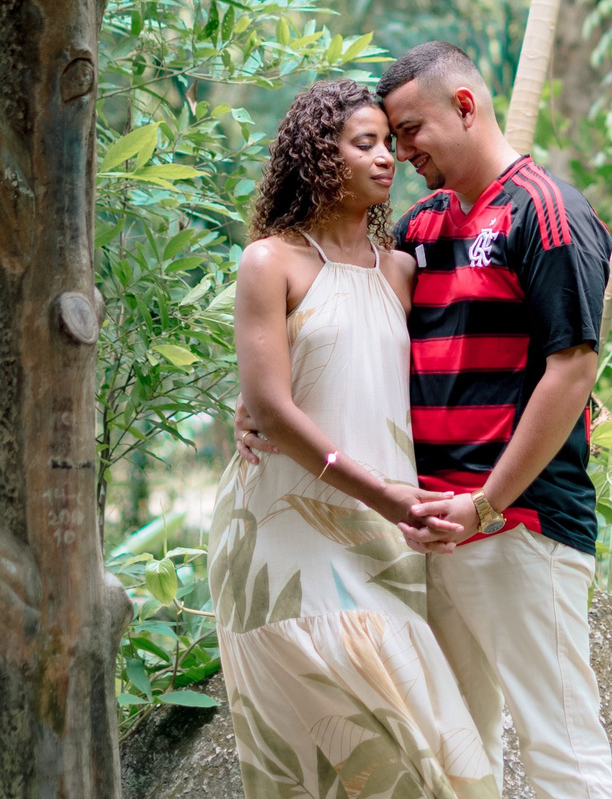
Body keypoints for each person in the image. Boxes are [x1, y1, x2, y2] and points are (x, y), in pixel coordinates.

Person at [243, 42, 612, 799]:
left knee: (561, 749)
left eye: (409, 130)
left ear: (466, 107)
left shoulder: (547, 211)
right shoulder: (420, 230)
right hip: (423, 535)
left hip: (519, 526)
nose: (400, 150)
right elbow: (345, 331)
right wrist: (257, 406)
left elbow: (574, 367)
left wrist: (488, 501)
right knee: (455, 759)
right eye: (384, 136)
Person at [209, 78, 495, 799]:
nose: (387, 158)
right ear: (317, 154)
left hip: (386, 542)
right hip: (285, 535)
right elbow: (270, 408)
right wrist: (388, 495)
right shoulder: (270, 262)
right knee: (328, 764)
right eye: (364, 143)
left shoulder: (401, 268)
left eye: (390, 144)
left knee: (433, 761)